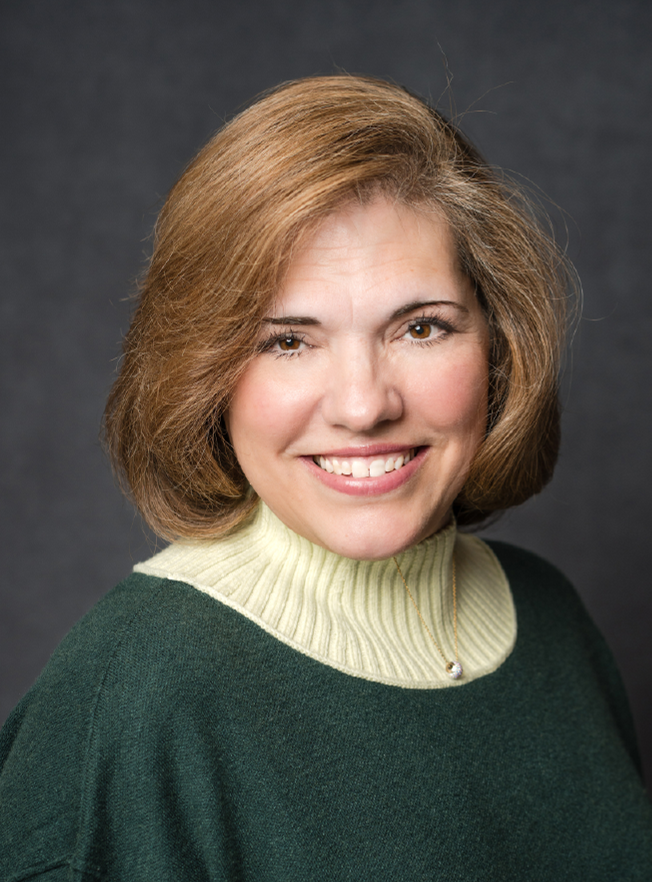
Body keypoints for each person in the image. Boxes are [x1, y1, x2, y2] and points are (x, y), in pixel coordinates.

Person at [1, 75, 650, 881]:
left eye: (421, 327)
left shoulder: (552, 622)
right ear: (205, 374)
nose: (363, 405)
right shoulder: (138, 692)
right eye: (287, 341)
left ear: (498, 347)